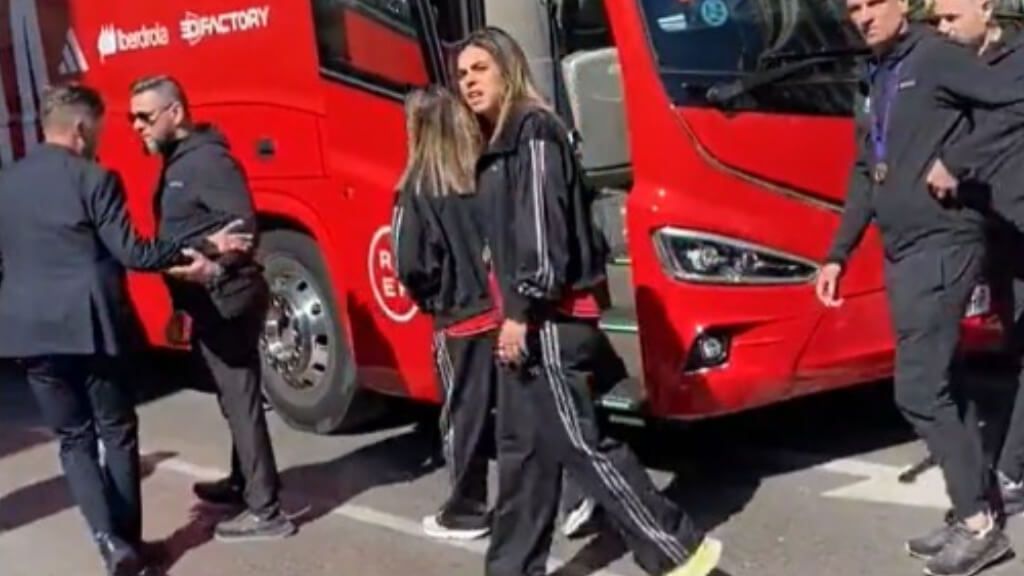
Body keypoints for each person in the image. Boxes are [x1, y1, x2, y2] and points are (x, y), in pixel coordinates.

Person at [455, 27, 721, 576]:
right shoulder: (503, 142)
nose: (468, 83)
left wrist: (522, 313)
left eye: (479, 69)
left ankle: (681, 554)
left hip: (546, 323)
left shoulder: (531, 133)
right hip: (527, 325)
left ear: (508, 69)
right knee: (523, 458)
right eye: (461, 74)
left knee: (585, 447)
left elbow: (541, 235)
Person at [0, 83, 246, 576]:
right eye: (100, 131)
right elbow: (134, 251)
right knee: (115, 430)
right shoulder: (95, 179)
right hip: (89, 327)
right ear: (80, 128)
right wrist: (200, 248)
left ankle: (109, 545)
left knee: (72, 439)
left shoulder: (8, 182)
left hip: (28, 330)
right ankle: (131, 543)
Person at [815, 0, 1024, 572]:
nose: (861, 17)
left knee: (918, 389)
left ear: (902, 4)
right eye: (852, 8)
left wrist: (958, 159)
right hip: (901, 249)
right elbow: (866, 169)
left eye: (871, 4)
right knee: (944, 382)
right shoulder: (876, 73)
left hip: (944, 244)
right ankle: (970, 507)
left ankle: (981, 527)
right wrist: (837, 254)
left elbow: (1015, 102)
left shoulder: (935, 57)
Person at [127, 75, 296, 542]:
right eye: (131, 118)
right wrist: (180, 303)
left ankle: (267, 511)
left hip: (229, 299)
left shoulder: (207, 162)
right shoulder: (178, 162)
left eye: (145, 116)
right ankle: (246, 481)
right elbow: (181, 236)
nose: (136, 126)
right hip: (206, 302)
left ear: (175, 113)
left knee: (240, 399)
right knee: (232, 398)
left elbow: (242, 226)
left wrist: (214, 264)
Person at [392, 85, 498, 540]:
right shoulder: (486, 177)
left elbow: (410, 263)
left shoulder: (415, 189)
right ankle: (574, 498)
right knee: (527, 413)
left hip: (459, 318)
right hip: (505, 312)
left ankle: (466, 511)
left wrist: (433, 300)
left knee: (464, 417)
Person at [932, 0, 1024, 518]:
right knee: (1004, 346)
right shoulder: (946, 66)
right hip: (980, 228)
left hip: (1019, 217)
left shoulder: (1018, 62)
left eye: (951, 17)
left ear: (986, 8)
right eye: (936, 21)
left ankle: (1012, 470)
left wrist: (956, 161)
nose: (943, 28)